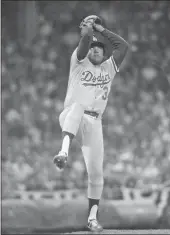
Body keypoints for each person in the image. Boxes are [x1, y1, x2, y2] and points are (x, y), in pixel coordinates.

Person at [53, 15, 129, 232]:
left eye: (99, 48)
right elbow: (86, 40)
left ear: (105, 54)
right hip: (70, 116)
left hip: (94, 123)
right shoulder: (78, 61)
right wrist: (88, 30)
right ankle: (63, 152)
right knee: (78, 105)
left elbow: (123, 46)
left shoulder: (109, 69)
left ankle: (92, 218)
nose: (95, 50)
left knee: (96, 174)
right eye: (93, 48)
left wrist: (101, 29)